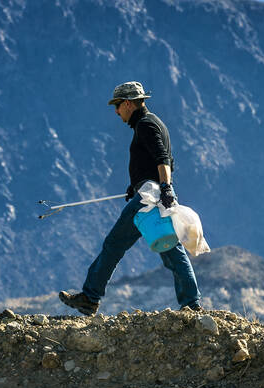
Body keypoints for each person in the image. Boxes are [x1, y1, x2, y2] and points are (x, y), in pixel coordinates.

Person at [59, 81, 202, 316]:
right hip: (152, 193)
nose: (116, 112)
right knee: (171, 249)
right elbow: (157, 160)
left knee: (114, 244)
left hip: (150, 197)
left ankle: (90, 297)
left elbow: (162, 158)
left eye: (117, 106)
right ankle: (191, 304)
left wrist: (163, 187)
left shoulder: (145, 125)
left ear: (127, 103)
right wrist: (136, 185)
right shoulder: (154, 122)